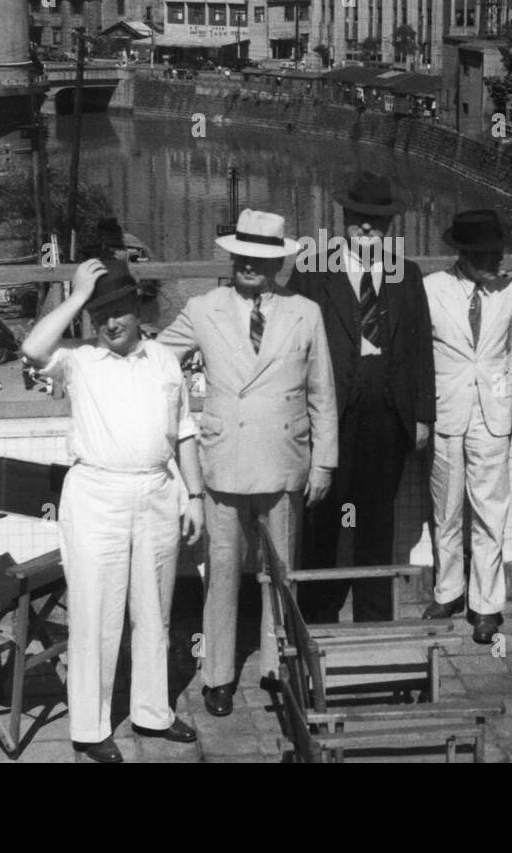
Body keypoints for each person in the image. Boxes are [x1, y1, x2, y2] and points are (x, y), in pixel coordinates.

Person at [23, 259, 205, 762]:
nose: (109, 322)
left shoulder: (165, 360)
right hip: (95, 497)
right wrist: (77, 296)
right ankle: (90, 726)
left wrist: (195, 496)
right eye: (99, 314)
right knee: (95, 615)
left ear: (137, 307)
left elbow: (185, 431)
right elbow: (32, 348)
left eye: (117, 310)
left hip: (156, 495)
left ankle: (153, 713)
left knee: (154, 612)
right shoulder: (78, 359)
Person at [157, 209, 338, 717]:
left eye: (261, 257)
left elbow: (322, 392)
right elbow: (153, 358)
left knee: (279, 572)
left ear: (277, 263)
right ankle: (218, 675)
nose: (249, 265)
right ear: (232, 255)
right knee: (223, 571)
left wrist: (324, 462)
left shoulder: (306, 312)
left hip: (284, 461)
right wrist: (91, 362)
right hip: (222, 461)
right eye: (243, 255)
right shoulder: (203, 307)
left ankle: (276, 668)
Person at [286, 172, 435, 624]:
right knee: (324, 518)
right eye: (358, 220)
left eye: (376, 222)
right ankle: (317, 617)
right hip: (331, 415)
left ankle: (374, 617)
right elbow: (294, 344)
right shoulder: (313, 271)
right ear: (344, 219)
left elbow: (419, 349)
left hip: (386, 416)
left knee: (376, 521)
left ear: (389, 226)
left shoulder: (406, 274)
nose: (367, 230)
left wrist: (423, 415)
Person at [423, 210, 512, 643]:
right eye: (485, 253)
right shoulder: (431, 289)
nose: (494, 261)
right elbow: (420, 355)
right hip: (447, 413)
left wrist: (501, 396)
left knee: (490, 511)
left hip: (492, 416)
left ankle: (486, 605)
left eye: (497, 253)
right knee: (445, 510)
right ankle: (448, 591)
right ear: (463, 253)